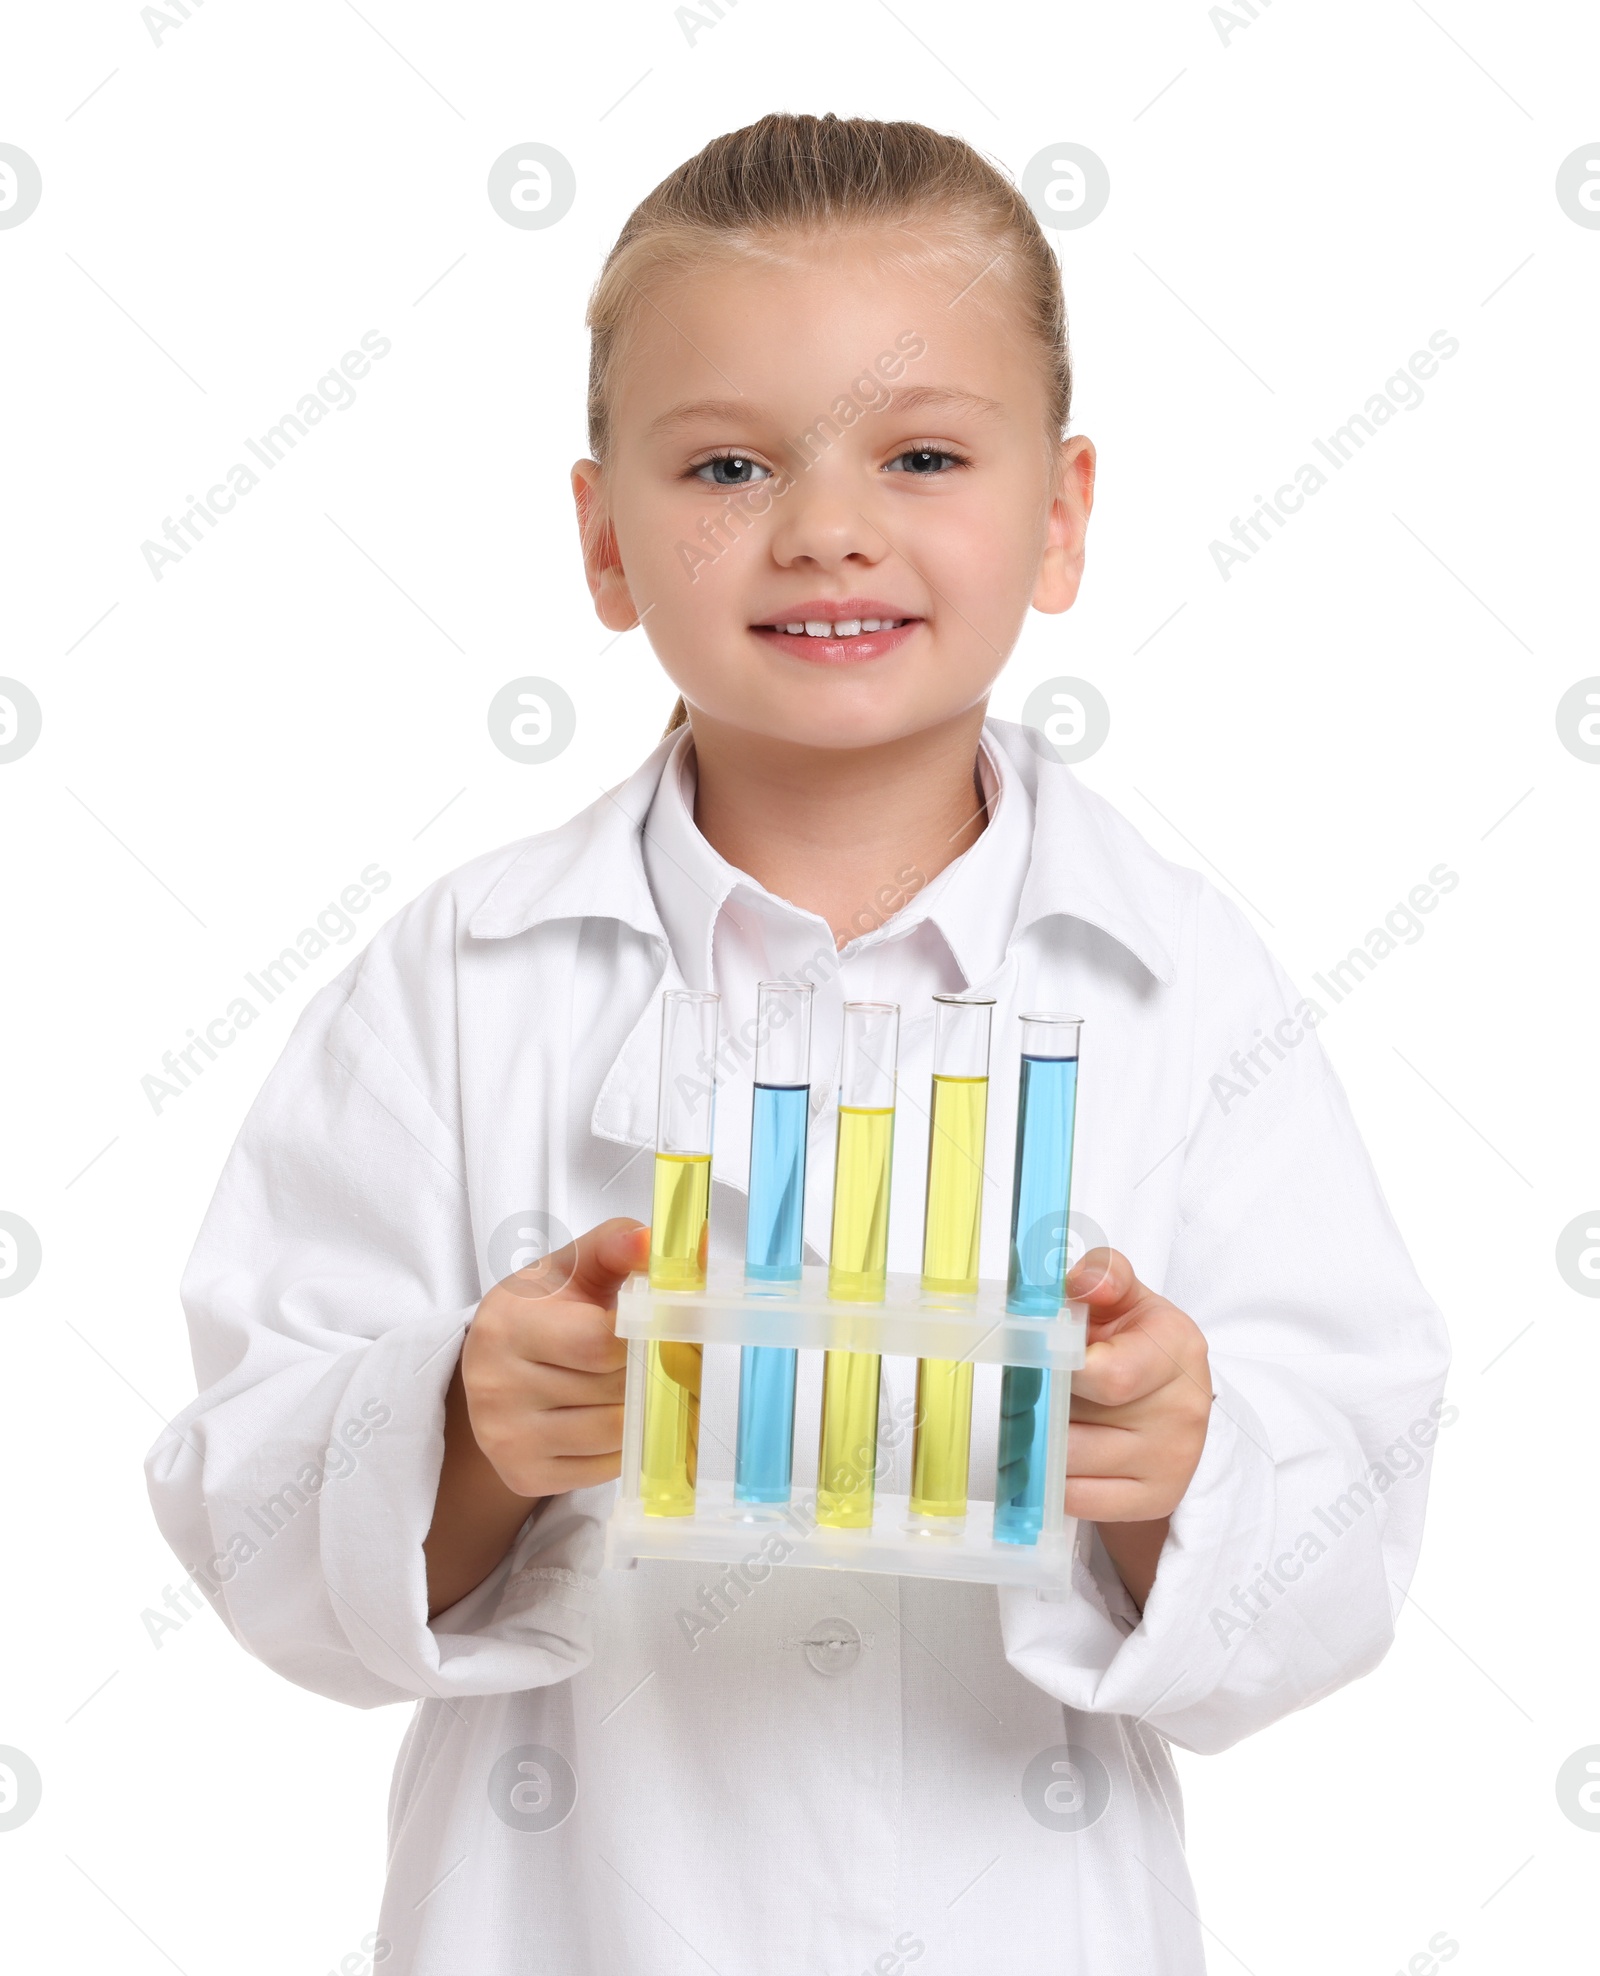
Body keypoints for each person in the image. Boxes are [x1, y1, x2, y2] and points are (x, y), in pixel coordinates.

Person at [146, 112, 1451, 1974]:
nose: (828, 525)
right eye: (731, 461)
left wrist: (1183, 1458)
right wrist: (458, 1429)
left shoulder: (1186, 985)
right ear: (603, 540)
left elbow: (1345, 1543)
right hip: (562, 1920)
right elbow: (253, 1510)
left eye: (922, 452)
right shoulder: (460, 978)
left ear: (1064, 514)